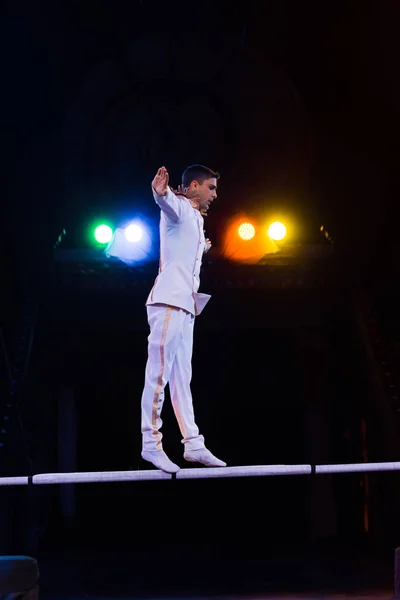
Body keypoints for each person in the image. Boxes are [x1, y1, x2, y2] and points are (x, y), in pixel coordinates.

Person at [140, 165, 226, 473]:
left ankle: (192, 442)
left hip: (187, 306)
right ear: (194, 186)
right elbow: (166, 202)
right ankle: (151, 444)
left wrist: (202, 246)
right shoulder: (177, 207)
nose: (215, 194)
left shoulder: (195, 221)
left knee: (181, 380)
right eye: (211, 188)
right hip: (168, 301)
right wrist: (160, 191)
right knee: (159, 372)